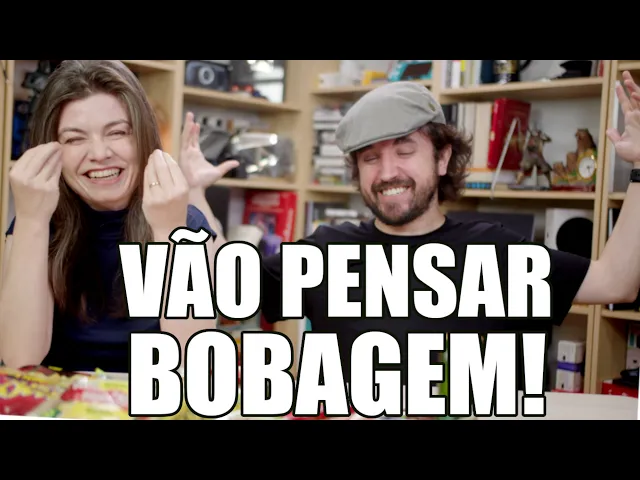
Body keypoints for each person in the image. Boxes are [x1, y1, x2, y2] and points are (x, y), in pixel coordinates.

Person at [194, 72, 640, 390]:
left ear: (442, 158)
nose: (388, 171)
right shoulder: (326, 253)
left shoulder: (494, 252)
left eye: (405, 151)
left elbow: (616, 282)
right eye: (370, 158)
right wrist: (193, 198)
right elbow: (221, 290)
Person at [0, 60, 236, 372]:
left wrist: (169, 230)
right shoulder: (36, 222)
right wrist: (31, 220)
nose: (99, 154)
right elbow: (19, 358)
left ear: (143, 137)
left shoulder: (186, 222)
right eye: (74, 138)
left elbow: (193, 357)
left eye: (118, 132)